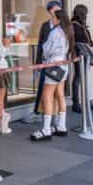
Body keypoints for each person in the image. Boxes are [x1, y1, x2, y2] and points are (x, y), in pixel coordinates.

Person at [31, 9, 75, 141]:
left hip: (53, 66)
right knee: (60, 95)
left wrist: (44, 49)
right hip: (63, 66)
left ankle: (46, 129)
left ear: (58, 19)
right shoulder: (68, 31)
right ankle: (61, 126)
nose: (52, 20)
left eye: (53, 18)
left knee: (47, 96)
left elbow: (47, 50)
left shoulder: (55, 32)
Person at [25, 0, 62, 123]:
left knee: (57, 93)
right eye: (54, 9)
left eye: (58, 9)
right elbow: (41, 44)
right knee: (42, 89)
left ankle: (57, 119)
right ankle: (39, 113)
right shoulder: (45, 25)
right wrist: (37, 64)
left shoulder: (64, 26)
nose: (56, 11)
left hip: (59, 63)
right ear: (50, 11)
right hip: (46, 62)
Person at [71, 4, 93, 113]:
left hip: (86, 55)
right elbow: (77, 41)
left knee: (85, 79)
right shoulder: (74, 25)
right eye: (85, 13)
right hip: (79, 55)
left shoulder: (81, 25)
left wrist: (92, 46)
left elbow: (88, 39)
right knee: (78, 78)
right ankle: (76, 103)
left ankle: (87, 101)